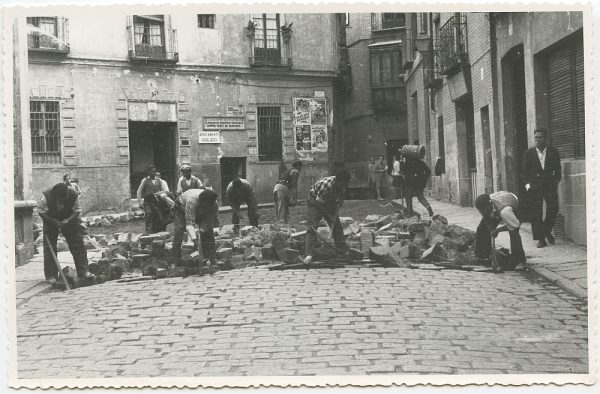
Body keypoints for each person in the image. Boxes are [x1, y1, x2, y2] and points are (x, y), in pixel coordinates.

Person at [38, 183, 94, 284]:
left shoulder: (73, 194)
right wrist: (53, 221)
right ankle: (51, 275)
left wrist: (68, 220)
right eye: (60, 199)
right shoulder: (46, 197)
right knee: (49, 247)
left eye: (64, 199)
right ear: (55, 196)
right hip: (50, 219)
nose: (62, 202)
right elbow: (41, 211)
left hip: (69, 218)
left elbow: (77, 210)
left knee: (77, 243)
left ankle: (83, 271)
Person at [522, 128, 562, 248]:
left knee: (553, 208)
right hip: (535, 187)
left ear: (546, 138)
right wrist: (528, 186)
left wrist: (555, 182)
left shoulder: (553, 152)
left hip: (550, 186)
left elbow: (558, 170)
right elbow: (524, 172)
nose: (538, 140)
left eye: (540, 137)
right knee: (536, 212)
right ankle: (540, 239)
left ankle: (546, 230)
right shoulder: (528, 153)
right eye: (536, 138)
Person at [303, 169, 351, 264]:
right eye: (343, 184)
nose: (344, 186)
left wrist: (340, 202)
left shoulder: (342, 185)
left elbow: (341, 195)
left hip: (329, 200)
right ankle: (309, 254)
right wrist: (330, 215)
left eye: (345, 184)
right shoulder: (326, 186)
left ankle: (341, 250)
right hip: (315, 200)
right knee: (312, 226)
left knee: (337, 226)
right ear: (338, 181)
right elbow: (319, 204)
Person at [474, 192, 526, 269]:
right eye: (480, 211)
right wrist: (491, 229)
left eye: (483, 210)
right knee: (481, 229)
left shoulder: (505, 211)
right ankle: (482, 256)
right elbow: (486, 217)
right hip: (498, 202)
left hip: (513, 204)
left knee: (514, 233)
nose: (482, 213)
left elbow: (515, 225)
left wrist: (497, 230)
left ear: (489, 206)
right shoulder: (486, 207)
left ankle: (519, 260)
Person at [171, 188, 219, 266]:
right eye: (204, 205)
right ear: (201, 201)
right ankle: (175, 260)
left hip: (199, 211)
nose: (205, 206)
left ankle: (211, 257)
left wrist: (204, 227)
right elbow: (190, 223)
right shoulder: (192, 201)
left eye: (207, 205)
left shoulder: (214, 204)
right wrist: (195, 240)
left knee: (208, 231)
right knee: (179, 230)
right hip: (181, 208)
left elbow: (211, 220)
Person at [137, 165, 170, 233]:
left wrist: (160, 193)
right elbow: (139, 191)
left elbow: (165, 190)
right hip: (148, 202)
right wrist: (140, 201)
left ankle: (159, 232)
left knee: (158, 215)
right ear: (148, 172)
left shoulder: (159, 180)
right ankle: (148, 232)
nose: (153, 173)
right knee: (149, 214)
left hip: (157, 201)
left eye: (154, 171)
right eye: (151, 171)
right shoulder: (145, 180)